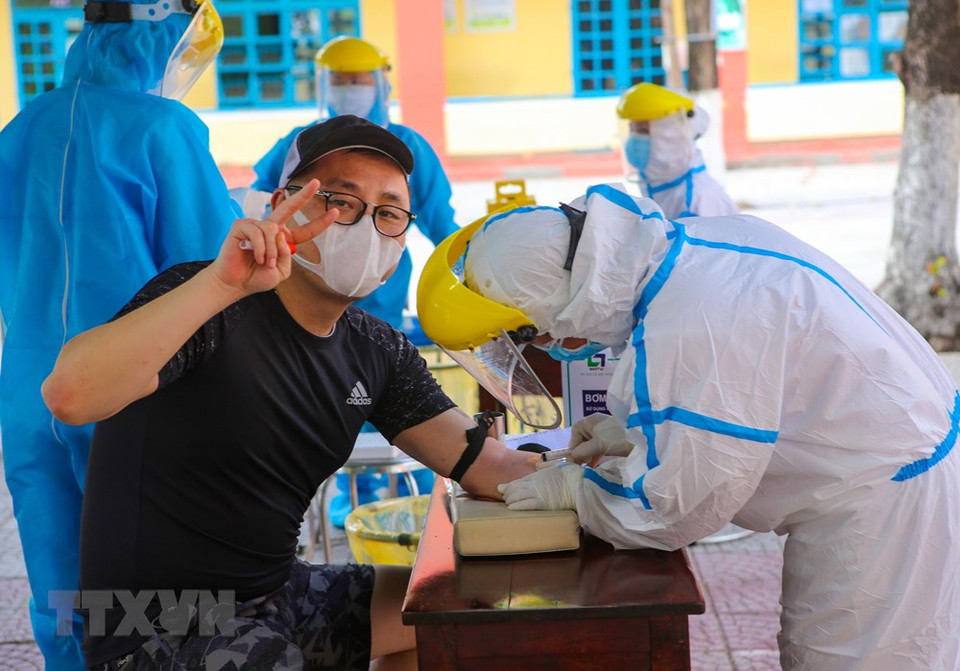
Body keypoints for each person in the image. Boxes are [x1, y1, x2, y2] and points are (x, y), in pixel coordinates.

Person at [41, 115, 535, 670]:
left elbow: (482, 463)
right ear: (286, 204)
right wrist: (221, 285)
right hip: (155, 620)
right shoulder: (207, 299)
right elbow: (70, 395)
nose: (366, 225)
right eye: (342, 202)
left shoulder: (377, 351)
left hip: (275, 595)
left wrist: (604, 475)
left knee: (462, 611)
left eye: (389, 213)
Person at [417, 183, 960, 670]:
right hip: (901, 459)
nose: (547, 346)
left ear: (548, 303)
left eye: (532, 333)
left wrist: (574, 491)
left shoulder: (695, 317)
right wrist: (630, 433)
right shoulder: (680, 255)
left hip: (882, 507)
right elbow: (749, 395)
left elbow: (674, 507)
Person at [0, 0, 237, 667]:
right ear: (160, 34)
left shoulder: (17, 132)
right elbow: (214, 269)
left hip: (27, 389)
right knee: (159, 586)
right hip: (128, 387)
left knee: (61, 581)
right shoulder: (162, 128)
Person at [254, 35, 458, 524]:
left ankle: (378, 501)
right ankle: (340, 502)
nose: (349, 89)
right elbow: (259, 208)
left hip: (381, 308)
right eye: (341, 201)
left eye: (387, 209)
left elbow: (445, 231)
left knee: (375, 405)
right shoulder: (301, 145)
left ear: (382, 81)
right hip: (299, 314)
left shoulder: (410, 149)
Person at [617, 82, 738, 219]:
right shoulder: (660, 184)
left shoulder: (700, 199)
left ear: (673, 136)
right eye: (633, 128)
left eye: (644, 130)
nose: (635, 138)